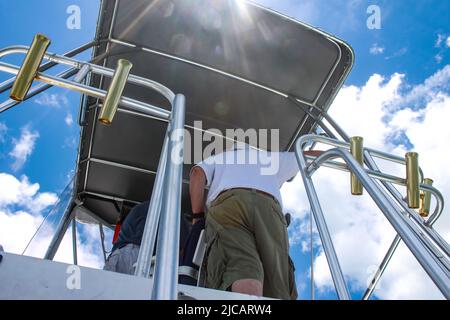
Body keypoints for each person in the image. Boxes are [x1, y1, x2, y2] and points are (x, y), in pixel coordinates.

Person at [189, 144, 321, 299]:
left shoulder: (221, 157)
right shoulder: (270, 158)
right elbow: (306, 156)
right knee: (276, 277)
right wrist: (346, 154)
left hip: (229, 206)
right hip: (269, 208)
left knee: (240, 264)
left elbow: (197, 174)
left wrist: (197, 217)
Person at [104, 201, 190, 275]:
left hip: (127, 253)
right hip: (139, 256)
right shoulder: (178, 219)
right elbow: (182, 253)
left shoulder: (141, 208)